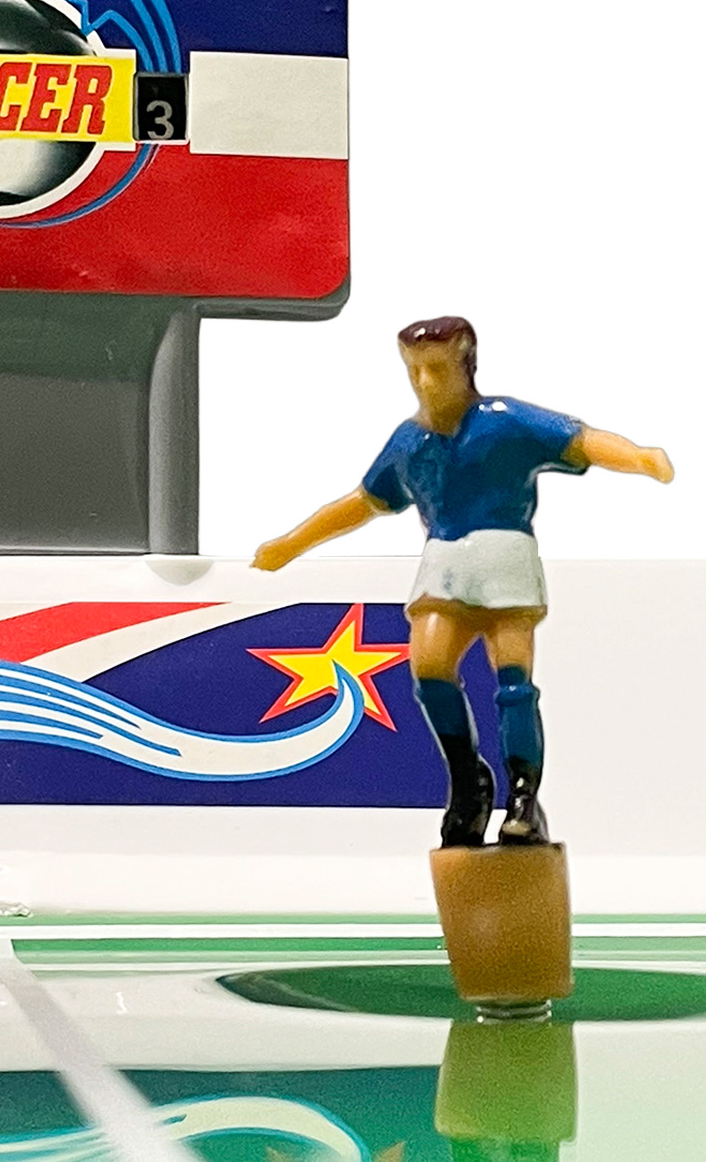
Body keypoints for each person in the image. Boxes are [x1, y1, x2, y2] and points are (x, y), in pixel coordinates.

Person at [253, 317, 672, 847]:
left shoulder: (506, 422)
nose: (425, 382)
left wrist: (638, 457)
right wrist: (293, 543)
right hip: (444, 565)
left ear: (466, 364)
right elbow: (363, 501)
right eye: (415, 371)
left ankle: (524, 798)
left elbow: (582, 440)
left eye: (436, 368)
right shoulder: (410, 442)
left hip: (504, 560)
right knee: (429, 670)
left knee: (513, 681)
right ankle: (468, 782)